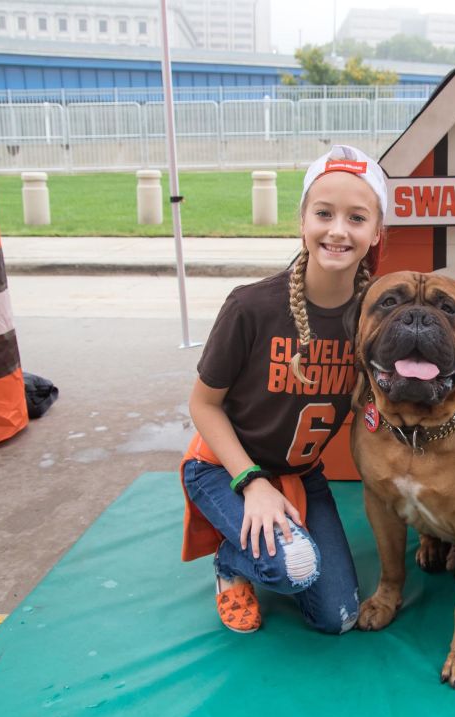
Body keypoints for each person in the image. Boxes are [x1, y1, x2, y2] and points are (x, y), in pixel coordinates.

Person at [178, 145, 387, 634]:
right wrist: (251, 484)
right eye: (324, 213)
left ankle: (259, 543)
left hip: (301, 472)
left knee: (338, 618)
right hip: (222, 467)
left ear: (377, 233)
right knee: (294, 568)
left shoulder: (375, 317)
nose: (338, 230)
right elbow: (202, 404)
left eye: (356, 218)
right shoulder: (252, 306)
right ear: (302, 221)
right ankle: (231, 566)